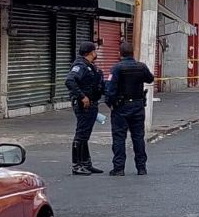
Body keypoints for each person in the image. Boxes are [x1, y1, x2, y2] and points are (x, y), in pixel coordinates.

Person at [105, 42, 155, 176]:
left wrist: (110, 103)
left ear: (119, 53)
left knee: (119, 137)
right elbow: (150, 79)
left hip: (121, 107)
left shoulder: (117, 68)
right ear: (133, 53)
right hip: (138, 106)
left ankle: (119, 168)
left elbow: (110, 89)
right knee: (138, 137)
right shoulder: (141, 67)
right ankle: (141, 168)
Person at [65, 41, 105, 176]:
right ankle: (77, 165)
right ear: (90, 52)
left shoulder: (89, 66)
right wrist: (83, 97)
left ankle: (86, 163)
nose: (96, 53)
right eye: (95, 50)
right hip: (84, 105)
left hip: (92, 104)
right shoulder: (80, 66)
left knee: (85, 135)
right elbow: (70, 81)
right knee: (81, 135)